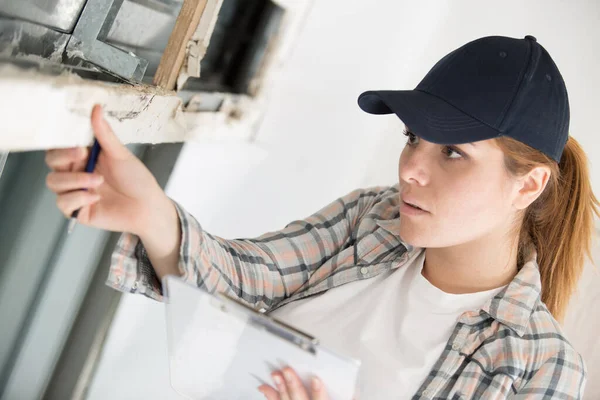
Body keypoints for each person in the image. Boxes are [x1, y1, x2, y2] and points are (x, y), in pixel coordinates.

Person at [45, 35, 598, 399]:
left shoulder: (538, 368)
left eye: (452, 152)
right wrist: (151, 211)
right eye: (413, 139)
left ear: (527, 184)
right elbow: (243, 279)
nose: (411, 169)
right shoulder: (372, 219)